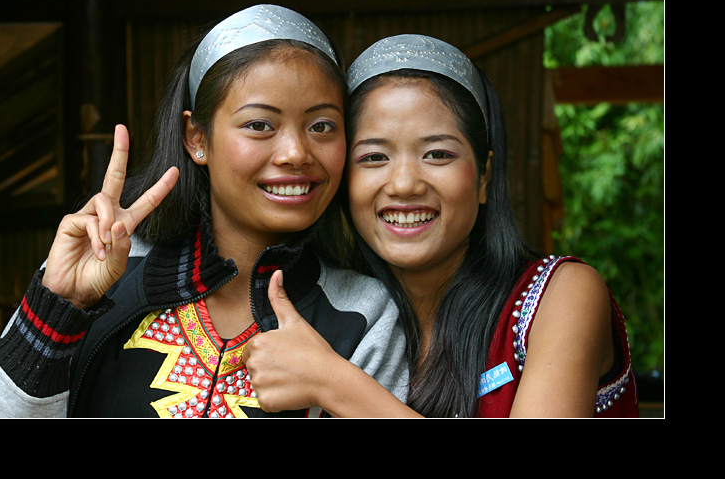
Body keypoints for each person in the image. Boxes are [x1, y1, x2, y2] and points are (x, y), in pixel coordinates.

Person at [0, 5, 409, 418]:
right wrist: (57, 310)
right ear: (196, 137)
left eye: (321, 126)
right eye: (259, 125)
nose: (295, 152)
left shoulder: (365, 314)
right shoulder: (106, 270)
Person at [243, 34, 639, 417]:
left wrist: (331, 383)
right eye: (374, 157)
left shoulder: (561, 295)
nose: (404, 184)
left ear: (484, 176)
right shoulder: (324, 310)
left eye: (436, 154)